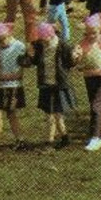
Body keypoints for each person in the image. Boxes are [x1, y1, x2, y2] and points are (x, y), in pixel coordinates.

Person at [0, 22, 32, 153]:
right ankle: (19, 140)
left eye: (2, 40)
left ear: (9, 34)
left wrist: (30, 55)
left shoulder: (19, 46)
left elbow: (27, 63)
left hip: (13, 85)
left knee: (0, 112)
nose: (1, 43)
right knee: (10, 113)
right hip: (1, 85)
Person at [32, 21, 75, 149]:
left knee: (55, 114)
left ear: (51, 36)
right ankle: (64, 138)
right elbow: (35, 61)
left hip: (59, 85)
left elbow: (69, 64)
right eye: (41, 40)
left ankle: (50, 142)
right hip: (46, 84)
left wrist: (75, 57)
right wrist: (29, 55)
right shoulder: (39, 46)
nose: (43, 43)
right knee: (52, 114)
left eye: (45, 41)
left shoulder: (63, 46)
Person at [75, 15, 101, 150]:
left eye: (94, 33)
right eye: (88, 33)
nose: (91, 36)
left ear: (100, 31)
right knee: (94, 106)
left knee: (96, 107)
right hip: (89, 77)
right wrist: (76, 57)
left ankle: (95, 138)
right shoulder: (82, 44)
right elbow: (77, 60)